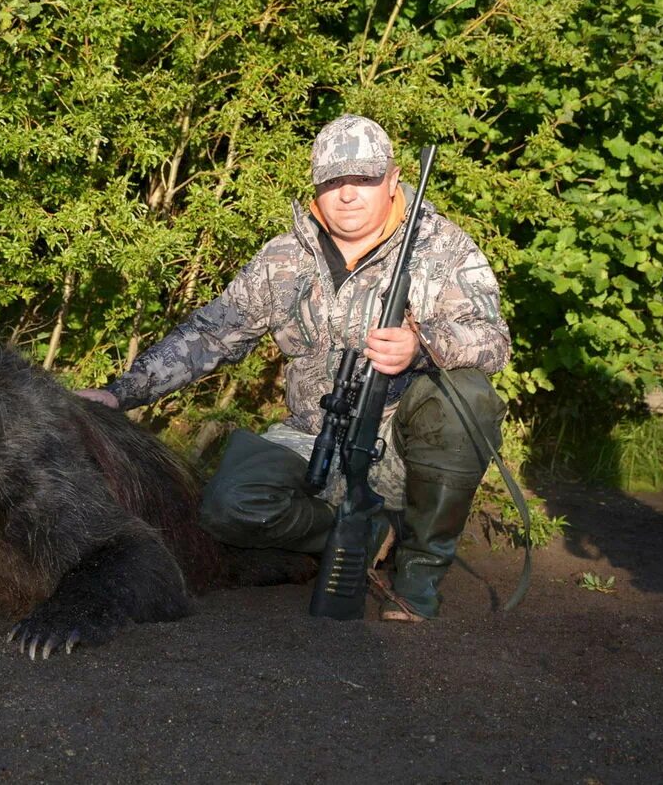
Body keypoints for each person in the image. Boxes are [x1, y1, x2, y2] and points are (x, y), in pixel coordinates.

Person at [77, 114, 509, 621]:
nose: (348, 194)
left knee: (469, 397)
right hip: (312, 435)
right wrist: (121, 393)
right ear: (316, 187)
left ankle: (419, 574)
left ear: (392, 181)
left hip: (401, 450)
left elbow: (492, 343)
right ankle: (367, 532)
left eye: (364, 179)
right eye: (333, 181)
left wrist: (421, 344)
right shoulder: (284, 257)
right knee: (228, 507)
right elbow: (212, 333)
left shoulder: (442, 247)